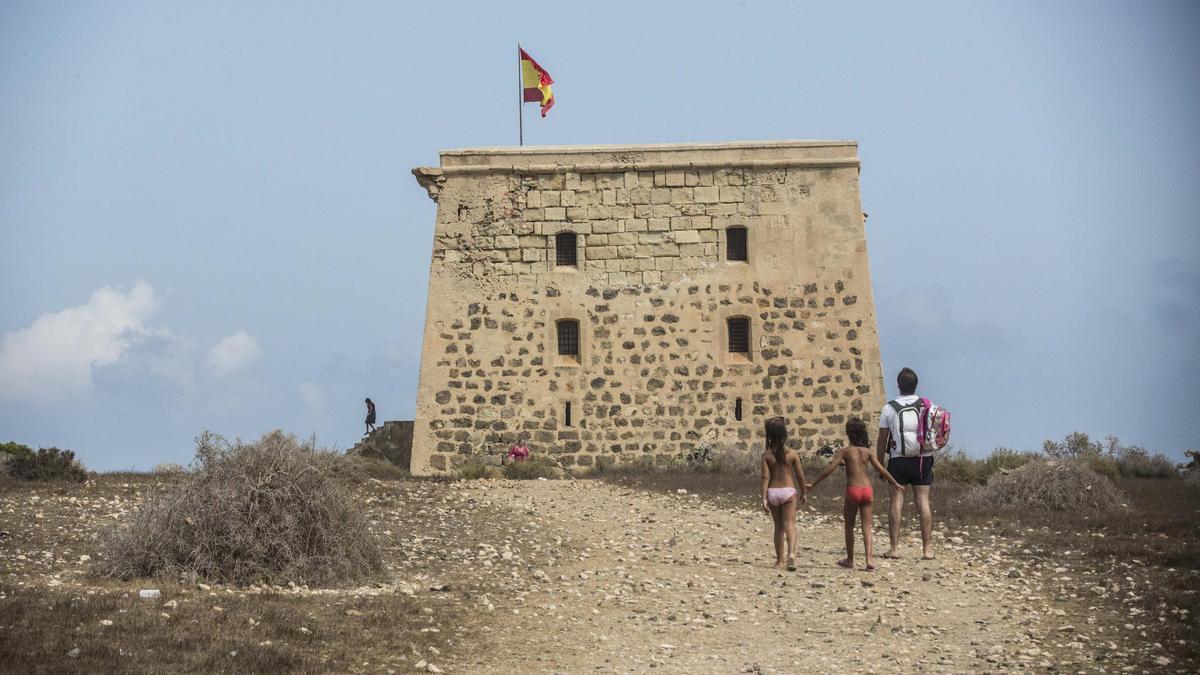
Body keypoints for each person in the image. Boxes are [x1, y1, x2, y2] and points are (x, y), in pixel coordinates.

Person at [807, 419, 904, 571]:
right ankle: (869, 559)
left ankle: (850, 559)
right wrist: (895, 483)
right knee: (867, 526)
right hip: (867, 491)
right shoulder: (868, 452)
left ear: (848, 434)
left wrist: (813, 484)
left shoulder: (845, 451)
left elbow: (829, 469)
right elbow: (882, 470)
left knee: (849, 526)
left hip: (853, 490)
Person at [876, 367, 935, 560]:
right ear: (916, 385)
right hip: (922, 460)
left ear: (898, 385)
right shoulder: (927, 405)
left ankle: (894, 548)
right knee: (923, 502)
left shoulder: (889, 408)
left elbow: (882, 439)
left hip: (898, 460)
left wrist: (880, 464)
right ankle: (927, 549)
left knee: (896, 503)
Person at [759, 417, 808, 571]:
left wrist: (764, 497)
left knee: (778, 527)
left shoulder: (766, 455)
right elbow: (800, 475)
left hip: (773, 492)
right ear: (784, 434)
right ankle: (791, 555)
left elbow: (765, 477)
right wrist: (804, 492)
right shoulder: (792, 454)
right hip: (788, 492)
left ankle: (779, 561)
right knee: (790, 525)